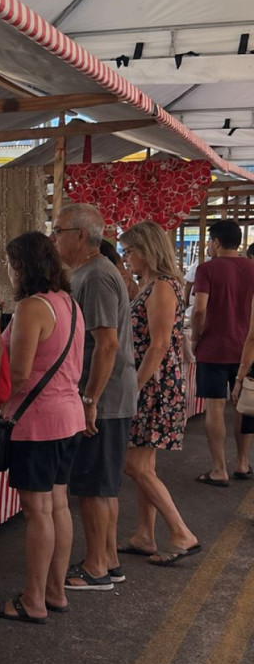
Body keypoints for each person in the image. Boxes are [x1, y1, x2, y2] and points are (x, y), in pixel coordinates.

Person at [0, 232, 84, 625]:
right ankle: (55, 592)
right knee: (57, 505)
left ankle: (33, 599)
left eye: (10, 265)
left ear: (21, 267)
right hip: (69, 417)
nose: (9, 273)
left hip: (38, 421)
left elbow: (20, 373)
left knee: (37, 510)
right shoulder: (69, 303)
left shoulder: (31, 308)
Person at [50, 204, 137, 592]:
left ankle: (97, 566)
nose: (54, 238)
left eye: (59, 231)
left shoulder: (97, 275)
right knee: (101, 484)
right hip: (106, 394)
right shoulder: (91, 272)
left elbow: (107, 344)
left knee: (92, 486)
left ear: (80, 236)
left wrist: (90, 400)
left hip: (105, 396)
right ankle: (108, 559)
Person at [116, 221, 199, 564]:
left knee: (135, 465)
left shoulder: (162, 286)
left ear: (146, 251)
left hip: (154, 385)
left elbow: (159, 344)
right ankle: (145, 534)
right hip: (154, 382)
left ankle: (181, 533)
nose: (126, 258)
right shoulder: (152, 284)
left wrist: (135, 386)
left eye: (129, 252)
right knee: (144, 464)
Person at [191, 219, 254, 486]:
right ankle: (242, 462)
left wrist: (195, 337)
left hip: (213, 347)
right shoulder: (252, 268)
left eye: (209, 241)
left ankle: (219, 469)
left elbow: (199, 309)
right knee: (243, 405)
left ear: (216, 242)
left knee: (215, 407)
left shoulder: (207, 269)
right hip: (246, 349)